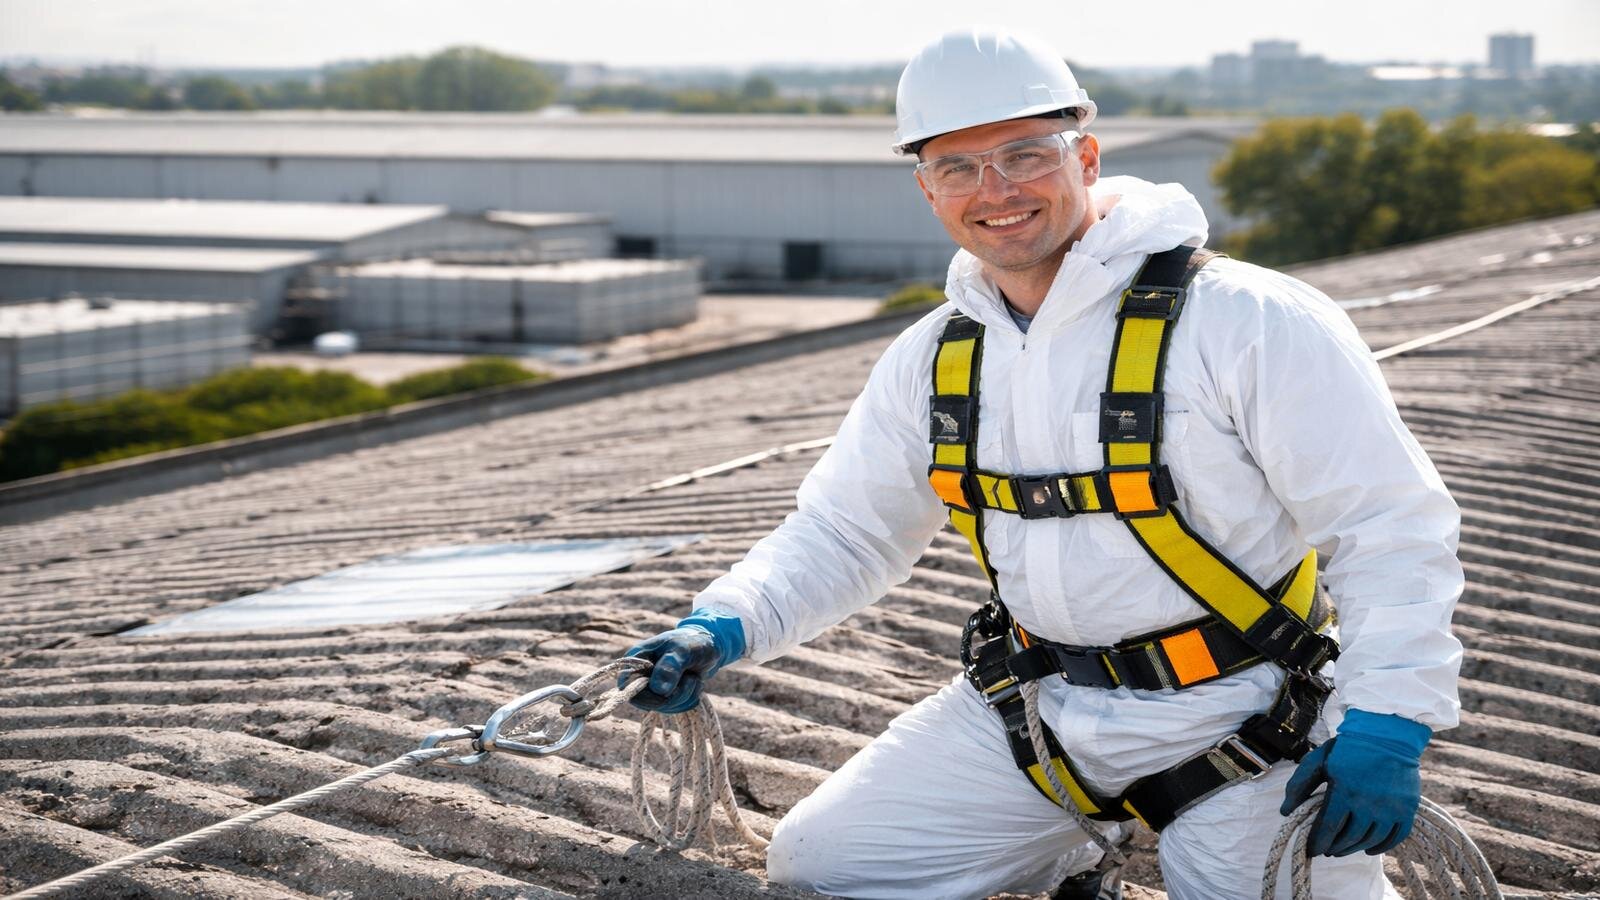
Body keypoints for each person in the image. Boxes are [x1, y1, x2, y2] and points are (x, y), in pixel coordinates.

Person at [625, 26, 1463, 900]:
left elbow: (1389, 528)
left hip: (1244, 717)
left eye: (1025, 154)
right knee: (827, 865)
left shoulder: (1248, 320)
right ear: (927, 188)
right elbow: (847, 530)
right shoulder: (939, 355)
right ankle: (1074, 845)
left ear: (1087, 156)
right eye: (959, 167)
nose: (997, 190)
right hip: (1038, 710)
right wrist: (722, 626)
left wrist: (1387, 720)